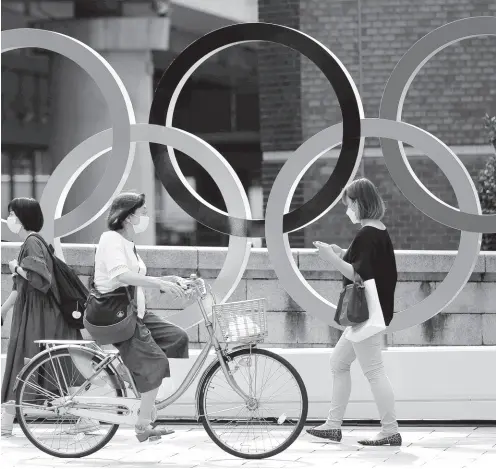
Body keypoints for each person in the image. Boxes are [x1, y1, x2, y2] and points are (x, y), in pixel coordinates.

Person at [307, 178, 402, 446]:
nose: (347, 210)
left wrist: (331, 258)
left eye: (348, 205)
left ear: (360, 203)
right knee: (339, 363)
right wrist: (341, 252)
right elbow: (364, 261)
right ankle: (333, 425)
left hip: (367, 314)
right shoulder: (378, 230)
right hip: (373, 311)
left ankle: (390, 430)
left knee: (373, 370)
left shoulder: (366, 234)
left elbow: (357, 273)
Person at [91, 191, 190, 442]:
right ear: (127, 215)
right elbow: (122, 276)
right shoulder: (110, 239)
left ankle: (143, 385)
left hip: (136, 311)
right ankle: (143, 425)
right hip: (116, 314)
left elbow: (137, 276)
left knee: (177, 338)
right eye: (143, 211)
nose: (146, 215)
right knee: (156, 363)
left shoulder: (127, 242)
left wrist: (169, 279)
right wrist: (159, 283)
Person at [1, 198, 94, 437]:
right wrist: (3, 310)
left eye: (12, 214)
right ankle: (84, 418)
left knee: (30, 361)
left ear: (23, 216)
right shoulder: (34, 242)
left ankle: (6, 421)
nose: (9, 218)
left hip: (40, 316)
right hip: (39, 313)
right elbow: (19, 288)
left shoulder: (32, 242)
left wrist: (16, 268)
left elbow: (39, 281)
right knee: (51, 363)